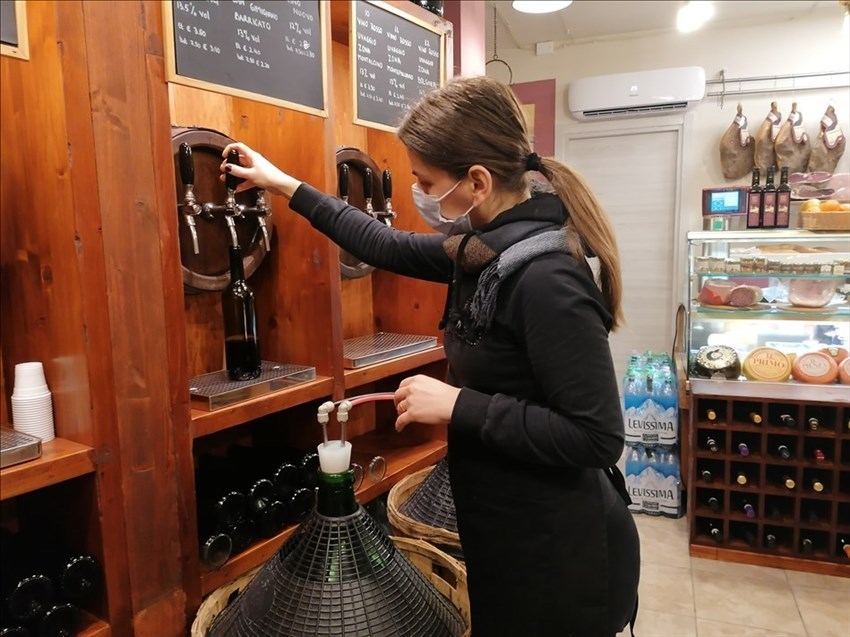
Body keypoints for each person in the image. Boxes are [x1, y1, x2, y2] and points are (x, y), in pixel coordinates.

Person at [220, 75, 640, 637]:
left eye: (424, 180)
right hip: (507, 531)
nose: (417, 193)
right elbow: (382, 242)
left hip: (559, 554)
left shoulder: (545, 279)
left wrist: (459, 404)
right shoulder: (483, 250)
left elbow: (596, 437)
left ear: (477, 181)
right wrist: (281, 183)